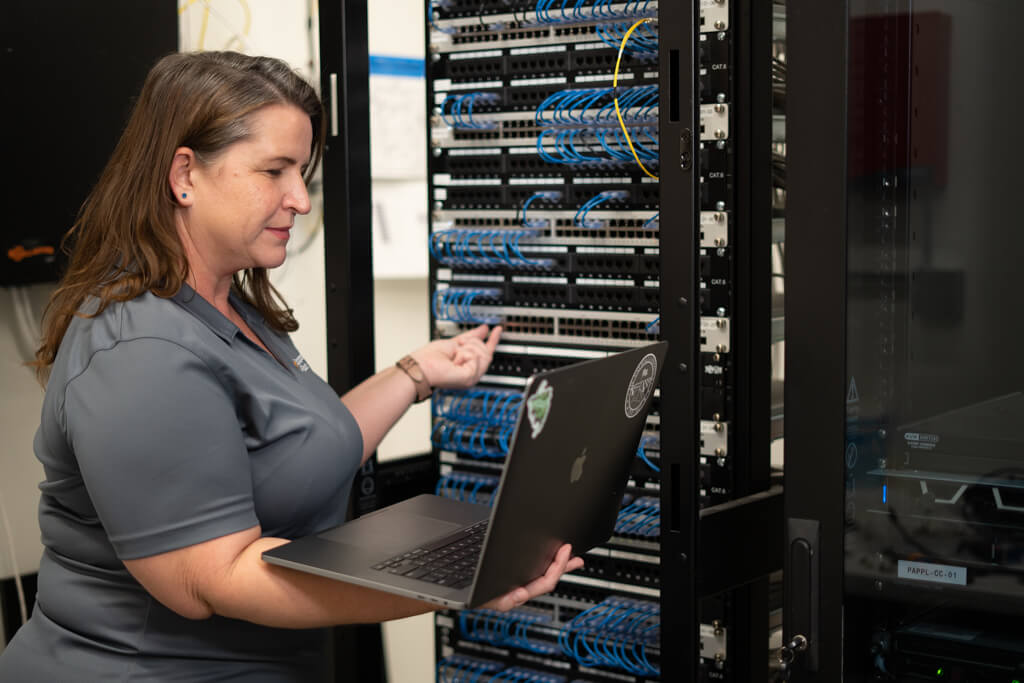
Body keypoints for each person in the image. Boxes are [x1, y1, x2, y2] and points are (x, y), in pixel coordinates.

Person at [0, 51, 582, 681]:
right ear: (184, 175)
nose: (301, 199)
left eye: (301, 172)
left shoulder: (228, 307)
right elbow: (212, 578)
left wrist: (415, 373)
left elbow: (302, 446)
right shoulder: (142, 350)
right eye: (274, 171)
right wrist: (453, 581)